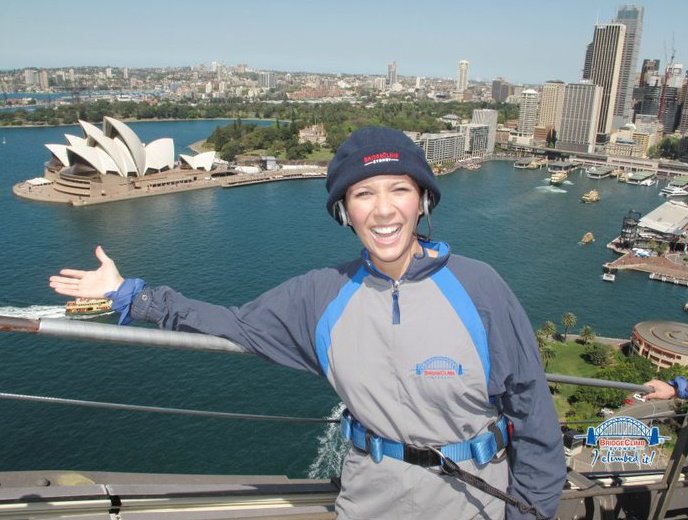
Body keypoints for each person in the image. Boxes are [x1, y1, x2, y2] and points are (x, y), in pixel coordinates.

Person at [50, 127, 566, 519]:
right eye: (363, 194)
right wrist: (129, 295)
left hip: (473, 504)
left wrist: (531, 511)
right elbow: (231, 324)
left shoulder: (480, 288)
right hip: (370, 503)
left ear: (423, 199)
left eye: (399, 189)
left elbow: (533, 412)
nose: (383, 210)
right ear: (345, 210)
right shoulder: (320, 296)